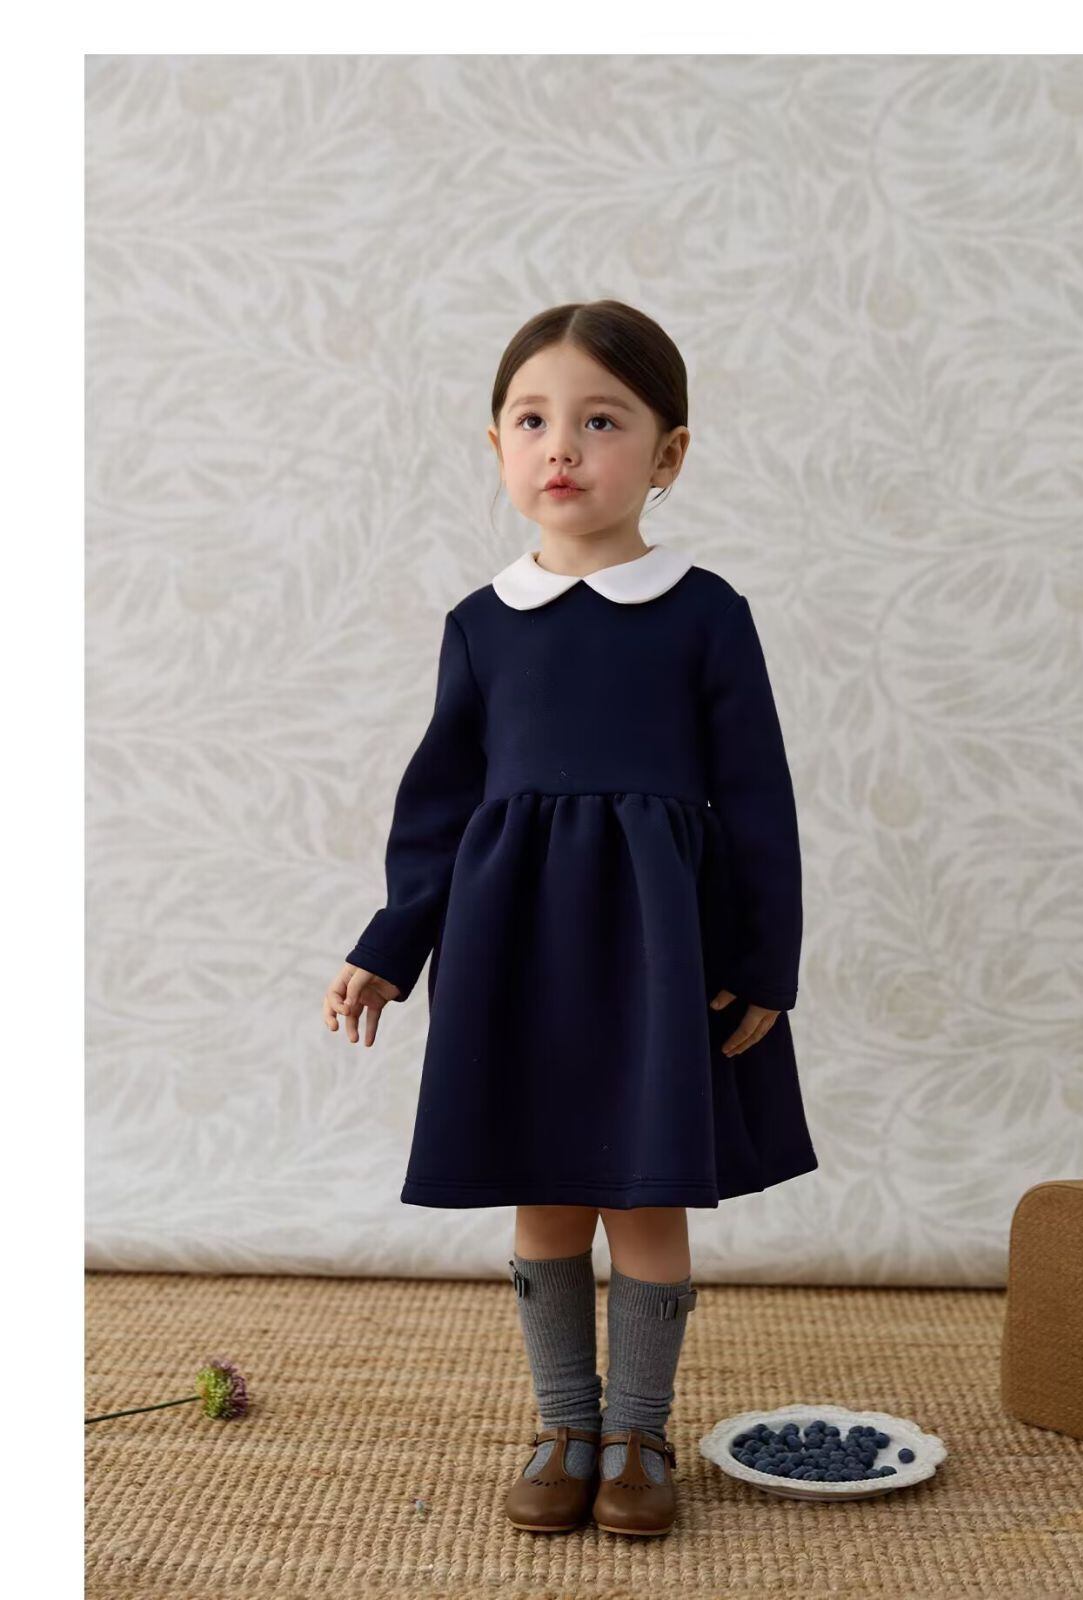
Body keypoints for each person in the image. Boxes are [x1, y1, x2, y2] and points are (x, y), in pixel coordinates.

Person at [321, 300, 818, 1538]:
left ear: (667, 453)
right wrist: (390, 944)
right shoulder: (482, 625)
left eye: (602, 421)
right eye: (534, 420)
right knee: (542, 1188)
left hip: (661, 954)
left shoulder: (706, 613)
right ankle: (563, 1423)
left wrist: (765, 962)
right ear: (497, 444)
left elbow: (759, 799)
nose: (563, 447)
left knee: (644, 1193)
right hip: (515, 953)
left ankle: (638, 1432)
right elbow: (438, 808)